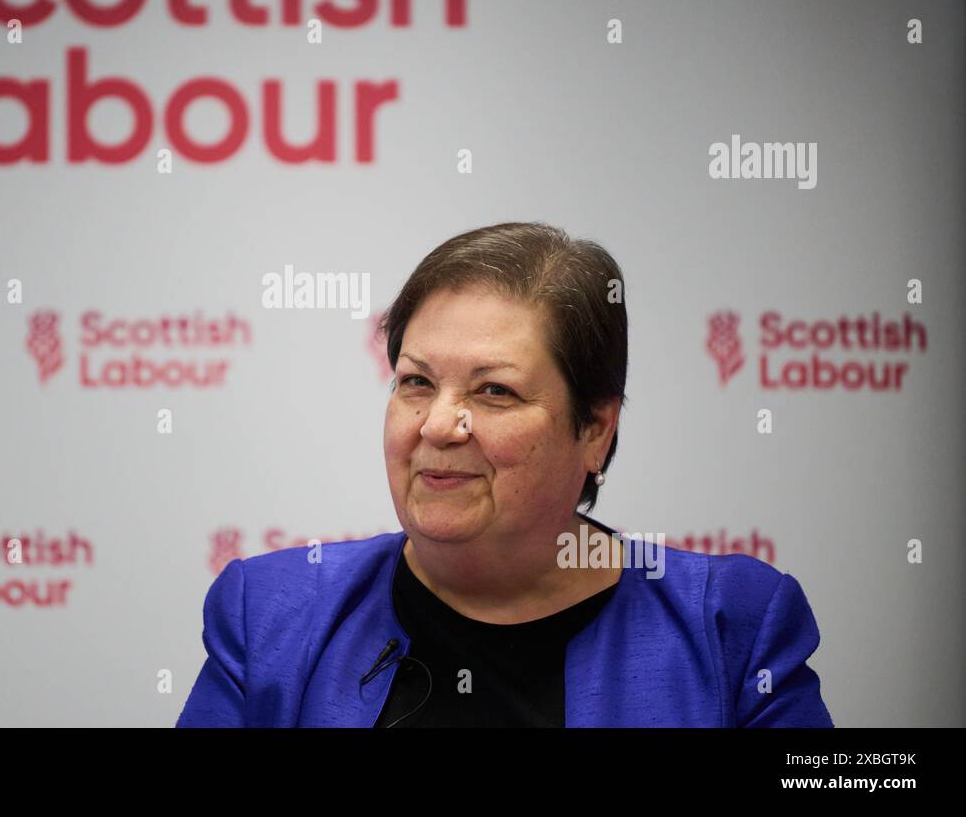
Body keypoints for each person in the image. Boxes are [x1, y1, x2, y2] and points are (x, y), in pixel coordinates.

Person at [177, 222, 833, 727]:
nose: (437, 425)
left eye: (493, 392)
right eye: (416, 382)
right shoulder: (269, 617)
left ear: (596, 430)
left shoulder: (733, 631)